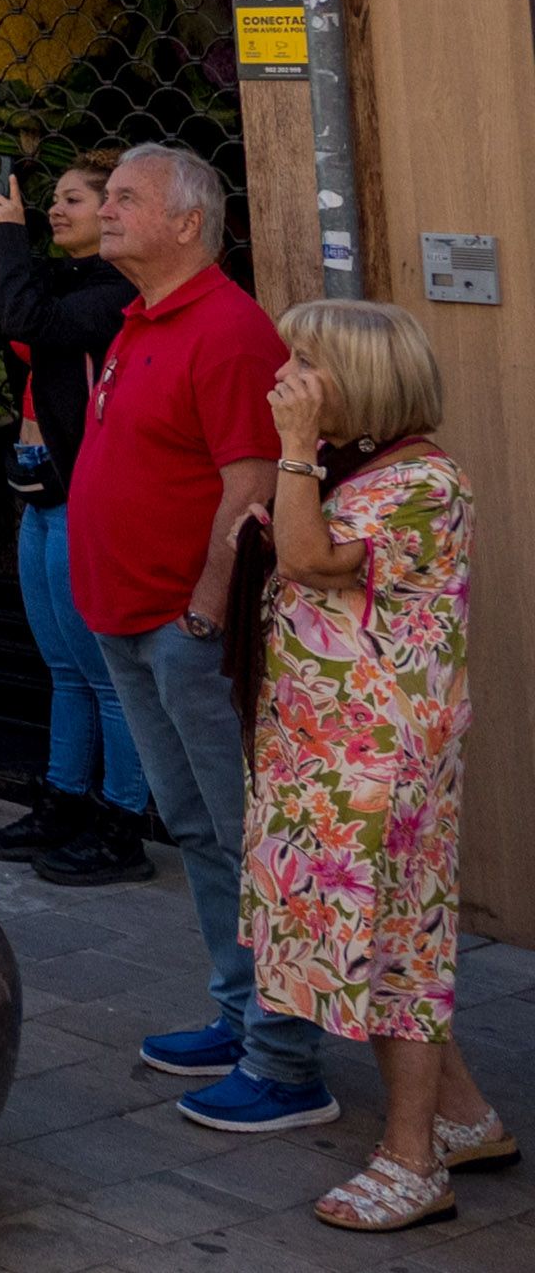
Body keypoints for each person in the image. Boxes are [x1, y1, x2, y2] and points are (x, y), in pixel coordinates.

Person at [68, 143, 326, 1134]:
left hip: (186, 627)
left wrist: (206, 604)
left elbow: (252, 483)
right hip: (127, 617)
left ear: (187, 221)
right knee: (196, 830)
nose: (109, 211)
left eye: (128, 198)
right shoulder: (140, 318)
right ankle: (237, 1016)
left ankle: (287, 1061)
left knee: (241, 832)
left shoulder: (225, 326)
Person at [252, 296, 500, 1229]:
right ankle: (465, 1119)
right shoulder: (376, 470)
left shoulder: (423, 484)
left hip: (382, 765)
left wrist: (293, 452)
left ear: (353, 379)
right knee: (393, 945)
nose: (281, 384)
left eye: (300, 368)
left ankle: (412, 1163)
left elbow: (310, 556)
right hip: (336, 755)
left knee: (398, 955)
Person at [0, 156, 157, 883]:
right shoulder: (72, 282)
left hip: (87, 498)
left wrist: (12, 243)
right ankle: (63, 803)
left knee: (107, 675)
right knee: (64, 668)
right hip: (42, 497)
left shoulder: (116, 292)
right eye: (51, 199)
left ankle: (121, 826)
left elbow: (29, 319)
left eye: (71, 199)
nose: (54, 210)